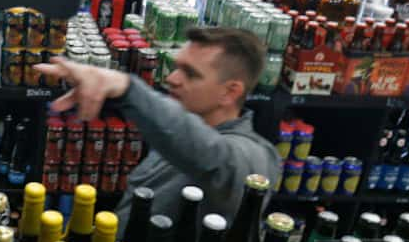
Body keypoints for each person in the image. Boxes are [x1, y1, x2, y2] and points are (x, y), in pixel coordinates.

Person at [35, 26, 279, 224]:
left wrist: (127, 89)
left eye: (190, 73)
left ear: (230, 92)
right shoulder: (184, 126)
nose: (171, 79)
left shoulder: (255, 157)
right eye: (176, 67)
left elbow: (214, 155)